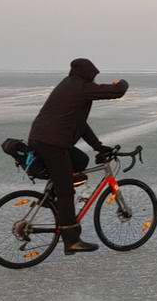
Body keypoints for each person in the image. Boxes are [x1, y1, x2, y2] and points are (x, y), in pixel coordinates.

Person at [28, 58, 129, 254]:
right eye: (93, 75)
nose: (94, 79)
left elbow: (80, 125)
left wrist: (98, 147)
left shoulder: (68, 85)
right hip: (52, 144)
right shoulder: (81, 87)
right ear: (87, 73)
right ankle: (71, 240)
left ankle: (54, 197)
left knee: (81, 160)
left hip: (42, 139)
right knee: (67, 192)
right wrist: (121, 83)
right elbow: (117, 92)